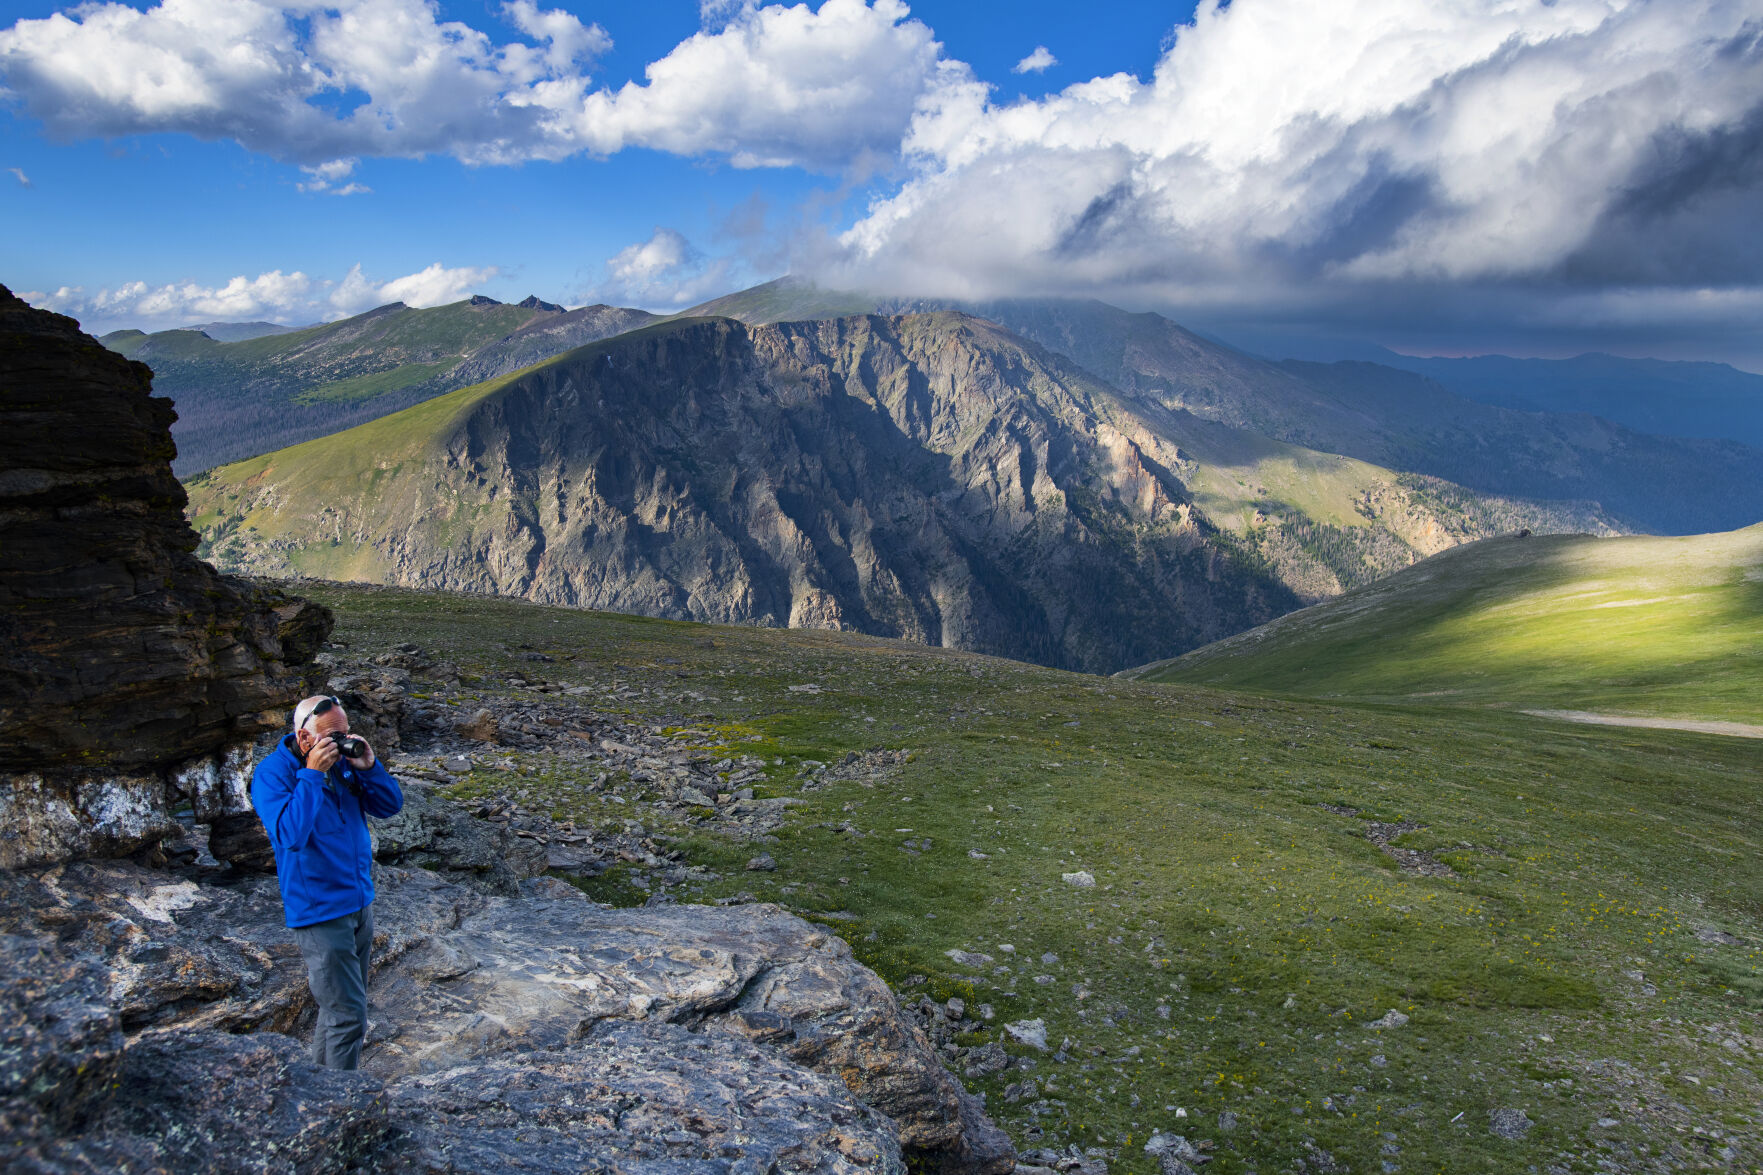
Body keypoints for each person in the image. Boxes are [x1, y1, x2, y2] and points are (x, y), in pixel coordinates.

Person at [250, 694, 404, 1070]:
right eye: (333, 737)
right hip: (319, 911)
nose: (341, 742)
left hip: (358, 903)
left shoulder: (342, 764)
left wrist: (368, 767)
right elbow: (290, 836)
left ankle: (319, 1089)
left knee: (337, 1010)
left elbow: (389, 806)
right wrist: (312, 775)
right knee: (349, 1016)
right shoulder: (273, 774)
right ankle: (341, 1107)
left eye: (345, 733)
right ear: (304, 739)